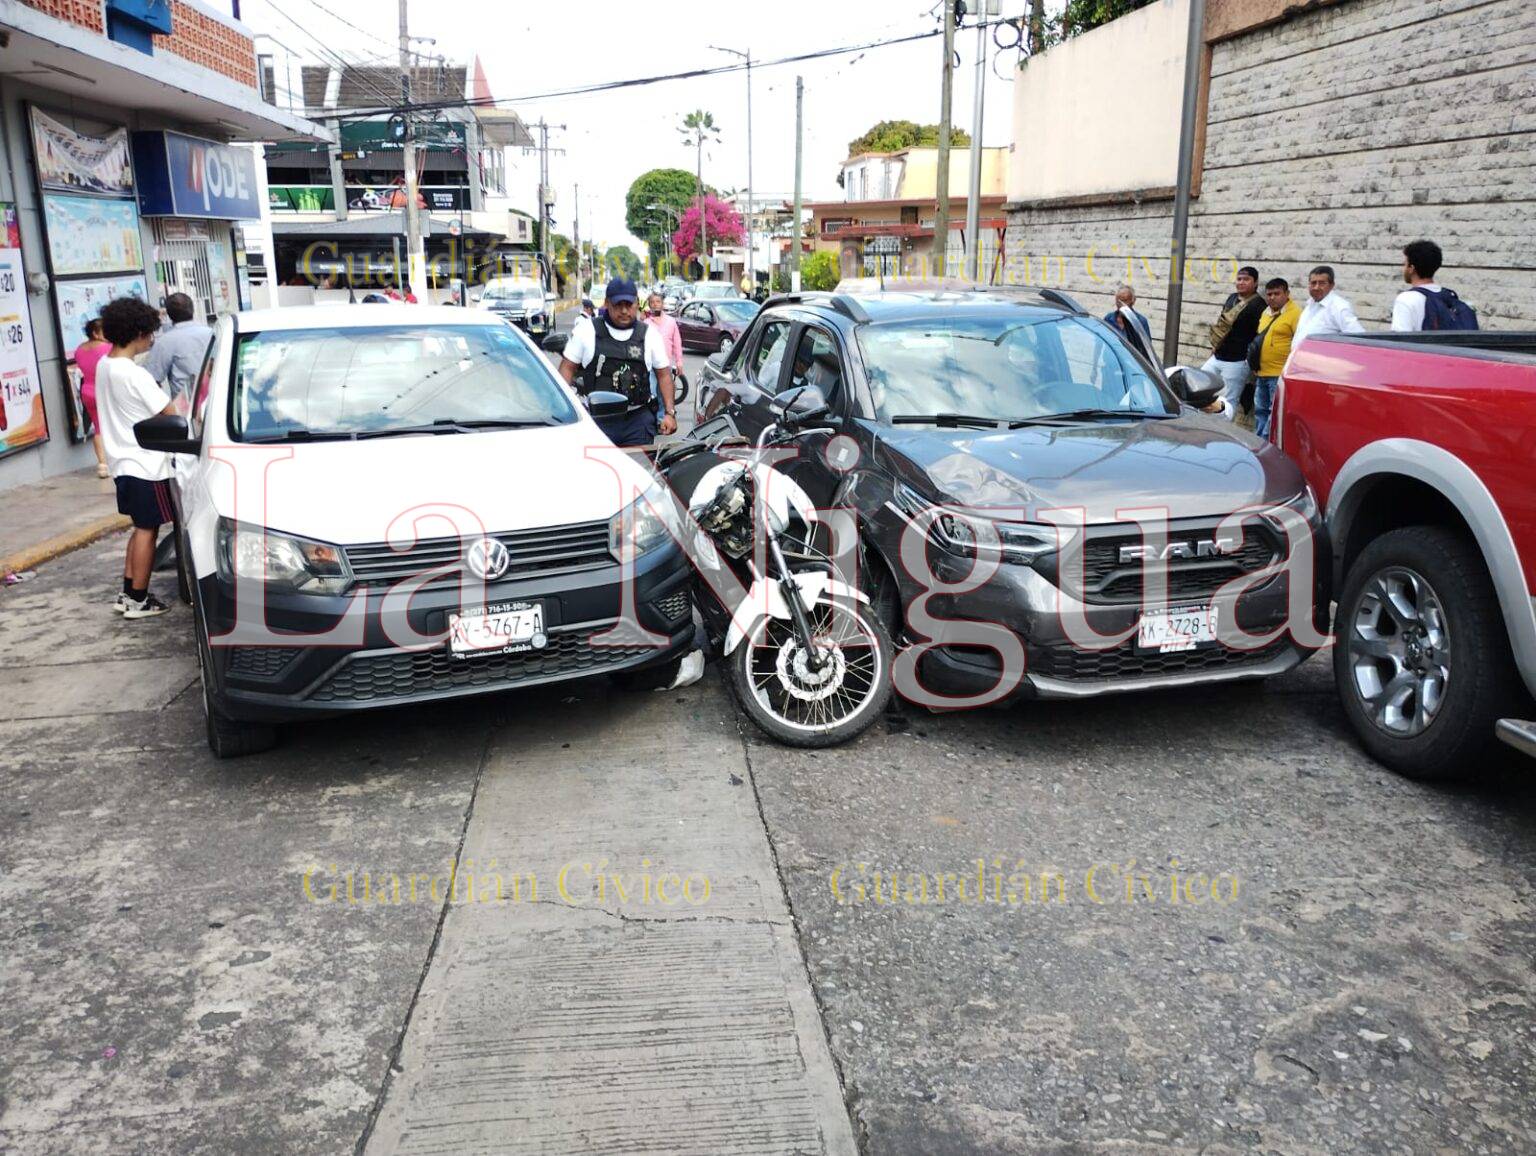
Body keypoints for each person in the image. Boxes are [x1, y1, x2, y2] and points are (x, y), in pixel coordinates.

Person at [95, 297, 176, 620]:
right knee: (148, 530)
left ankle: (129, 593)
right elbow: (169, 413)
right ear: (139, 332)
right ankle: (139, 600)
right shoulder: (134, 374)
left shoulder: (105, 365)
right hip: (146, 464)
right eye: (151, 332)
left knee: (140, 527)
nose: (153, 339)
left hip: (122, 462)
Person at [558, 277, 677, 447]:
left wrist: (669, 413)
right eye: (617, 305)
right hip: (596, 421)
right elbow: (567, 369)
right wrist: (562, 411)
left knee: (638, 470)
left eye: (628, 305)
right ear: (606, 303)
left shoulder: (650, 335)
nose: (623, 311)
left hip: (637, 420)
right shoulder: (586, 331)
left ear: (637, 304)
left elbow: (664, 375)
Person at [1202, 266, 1266, 422]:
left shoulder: (1259, 305)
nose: (1241, 282)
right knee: (1200, 388)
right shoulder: (1231, 298)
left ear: (1255, 283)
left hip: (1237, 361)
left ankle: (1224, 435)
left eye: (1246, 279)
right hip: (1217, 356)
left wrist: (1249, 361)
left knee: (1229, 401)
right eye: (1239, 279)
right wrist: (1215, 346)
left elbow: (1259, 336)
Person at [1392, 239, 1479, 332]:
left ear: (1411, 268)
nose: (1403, 269)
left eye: (1404, 264)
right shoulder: (1448, 297)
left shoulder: (1406, 299)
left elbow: (1400, 343)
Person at [1251, 278, 1300, 439]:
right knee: (1260, 411)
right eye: (1269, 294)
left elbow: (1298, 344)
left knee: (1273, 414)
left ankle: (1264, 444)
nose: (1272, 297)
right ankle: (1259, 442)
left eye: (1277, 294)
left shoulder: (1295, 314)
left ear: (1287, 294)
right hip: (1262, 373)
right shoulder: (1265, 313)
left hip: (1278, 375)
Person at [143, 292, 212, 402]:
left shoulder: (165, 342)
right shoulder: (211, 333)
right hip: (217, 400)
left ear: (169, 315)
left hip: (187, 407)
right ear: (192, 309)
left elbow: (150, 380)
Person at [73, 317, 111, 478]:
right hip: (106, 391)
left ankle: (102, 464)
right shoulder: (108, 348)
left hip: (87, 391)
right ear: (95, 333)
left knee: (98, 428)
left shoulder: (79, 350)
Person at [1294, 265, 1365, 342]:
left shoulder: (1338, 307)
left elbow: (1358, 337)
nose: (1316, 287)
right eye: (1313, 283)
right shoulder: (1310, 305)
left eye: (1322, 283)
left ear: (1331, 285)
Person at [1102, 284, 1154, 360]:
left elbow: (1147, 349)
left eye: (1125, 301)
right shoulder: (1109, 319)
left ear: (1133, 301)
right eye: (1118, 301)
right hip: (1112, 362)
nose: (1121, 304)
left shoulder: (1140, 321)